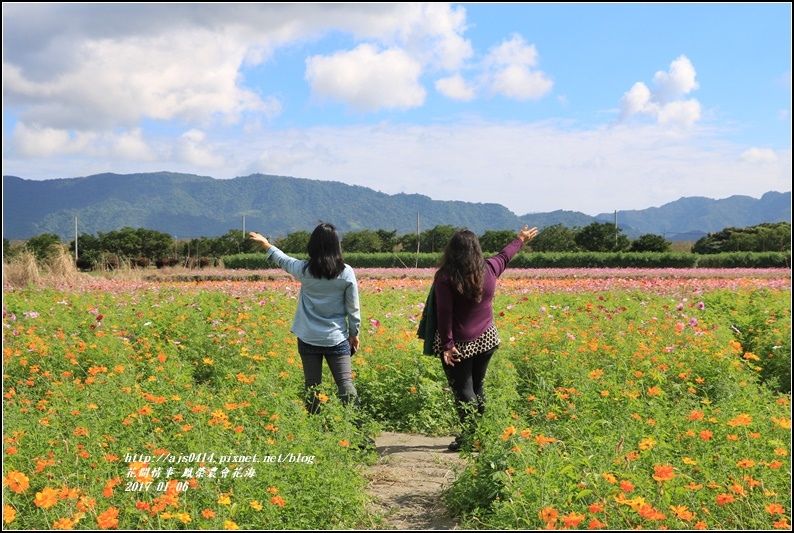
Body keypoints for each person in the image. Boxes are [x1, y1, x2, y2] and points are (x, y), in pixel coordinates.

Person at [433, 225, 538, 451]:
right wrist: (520, 239)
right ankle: (480, 434)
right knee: (477, 385)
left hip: (459, 343)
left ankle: (471, 437)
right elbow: (505, 255)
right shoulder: (489, 268)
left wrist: (447, 344)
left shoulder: (446, 276)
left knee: (463, 389)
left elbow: (445, 312)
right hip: (487, 338)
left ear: (452, 250)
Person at [249, 224, 363, 419]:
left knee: (312, 386)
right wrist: (354, 334)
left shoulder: (303, 269)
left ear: (313, 245)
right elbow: (353, 308)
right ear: (337, 246)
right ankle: (359, 428)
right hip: (336, 338)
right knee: (345, 384)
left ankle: (314, 428)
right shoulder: (346, 272)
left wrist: (266, 244)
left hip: (308, 337)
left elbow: (282, 259)